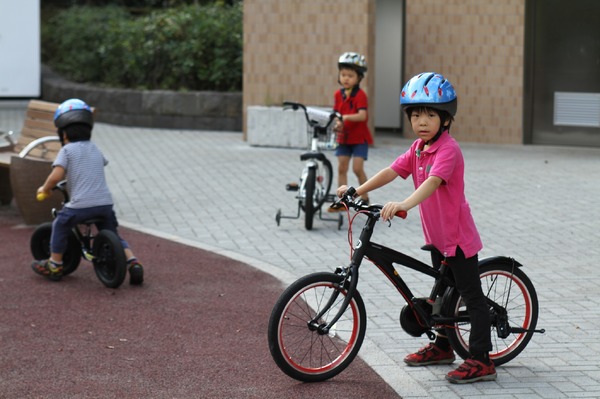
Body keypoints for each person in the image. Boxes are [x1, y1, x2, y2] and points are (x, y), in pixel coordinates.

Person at [335, 72, 495, 384]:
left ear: (445, 120)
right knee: (444, 296)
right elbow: (390, 171)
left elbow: (433, 183)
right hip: (437, 238)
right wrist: (357, 190)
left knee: (470, 297)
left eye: (430, 114)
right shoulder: (419, 148)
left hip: (458, 240)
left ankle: (481, 359)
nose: (422, 121)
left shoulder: (447, 150)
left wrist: (405, 204)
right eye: (416, 114)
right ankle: (443, 346)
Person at [31, 98, 144, 285]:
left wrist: (45, 189)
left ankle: (55, 264)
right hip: (105, 204)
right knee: (112, 233)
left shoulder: (67, 151)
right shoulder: (95, 149)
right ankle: (133, 262)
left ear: (64, 133)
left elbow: (56, 176)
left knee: (60, 224)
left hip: (80, 206)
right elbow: (99, 164)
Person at [328, 52, 373, 211]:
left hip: (359, 138)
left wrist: (345, 118)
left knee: (357, 169)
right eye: (343, 75)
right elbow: (336, 115)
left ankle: (365, 197)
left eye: (350, 75)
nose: (346, 78)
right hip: (343, 138)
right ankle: (343, 200)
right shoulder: (337, 95)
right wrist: (337, 123)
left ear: (359, 78)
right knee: (341, 168)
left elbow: (362, 116)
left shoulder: (361, 95)